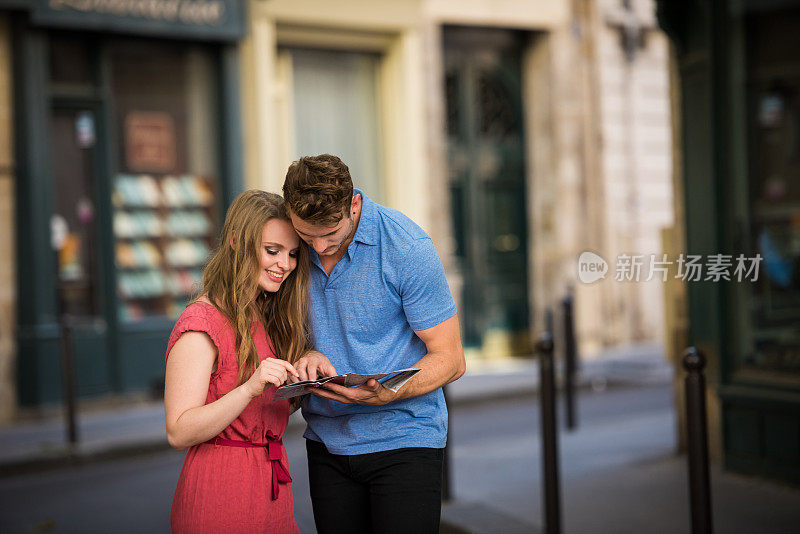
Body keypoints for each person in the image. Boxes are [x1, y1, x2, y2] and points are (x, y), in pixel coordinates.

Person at [283, 154, 466, 534]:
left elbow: (451, 359)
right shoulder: (287, 245)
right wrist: (304, 354)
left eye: (330, 235)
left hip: (404, 439)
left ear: (354, 204)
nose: (317, 248)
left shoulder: (407, 247)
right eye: (306, 236)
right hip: (326, 442)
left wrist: (388, 393)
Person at [164, 190, 309, 534]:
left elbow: (262, 413)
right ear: (235, 242)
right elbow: (178, 430)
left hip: (272, 490)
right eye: (272, 251)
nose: (284, 264)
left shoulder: (262, 315)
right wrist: (249, 389)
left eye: (292, 254)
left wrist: (303, 375)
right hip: (220, 493)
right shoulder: (202, 322)